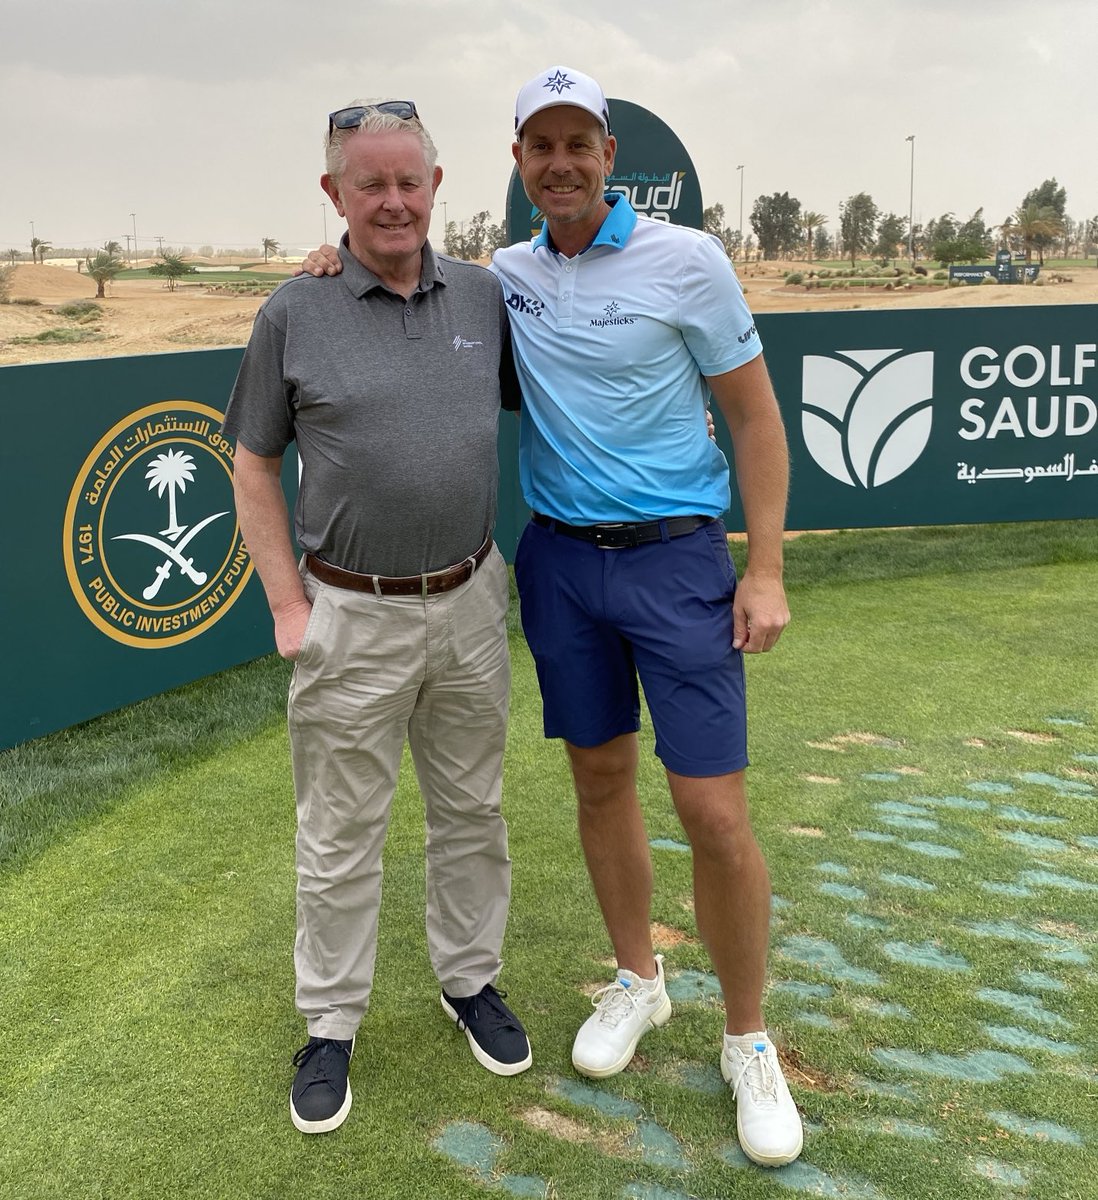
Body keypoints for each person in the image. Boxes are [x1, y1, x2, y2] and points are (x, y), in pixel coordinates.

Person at [300, 66, 802, 1167]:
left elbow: (757, 423)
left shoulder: (689, 260)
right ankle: (640, 979)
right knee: (599, 779)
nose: (562, 163)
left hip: (677, 564)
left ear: (609, 158)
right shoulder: (504, 279)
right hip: (562, 567)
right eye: (543, 146)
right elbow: (395, 284)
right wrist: (329, 265)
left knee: (713, 813)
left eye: (582, 144)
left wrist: (763, 570)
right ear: (517, 163)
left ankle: (748, 1037)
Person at [222, 99, 531, 1137]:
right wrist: (285, 604)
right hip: (350, 609)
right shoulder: (291, 313)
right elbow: (253, 464)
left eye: (410, 181)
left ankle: (469, 981)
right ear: (333, 195)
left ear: (439, 186)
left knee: (472, 813)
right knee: (341, 834)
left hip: (473, 597)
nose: (393, 202)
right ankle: (331, 1025)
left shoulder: (486, 297)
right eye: (370, 185)